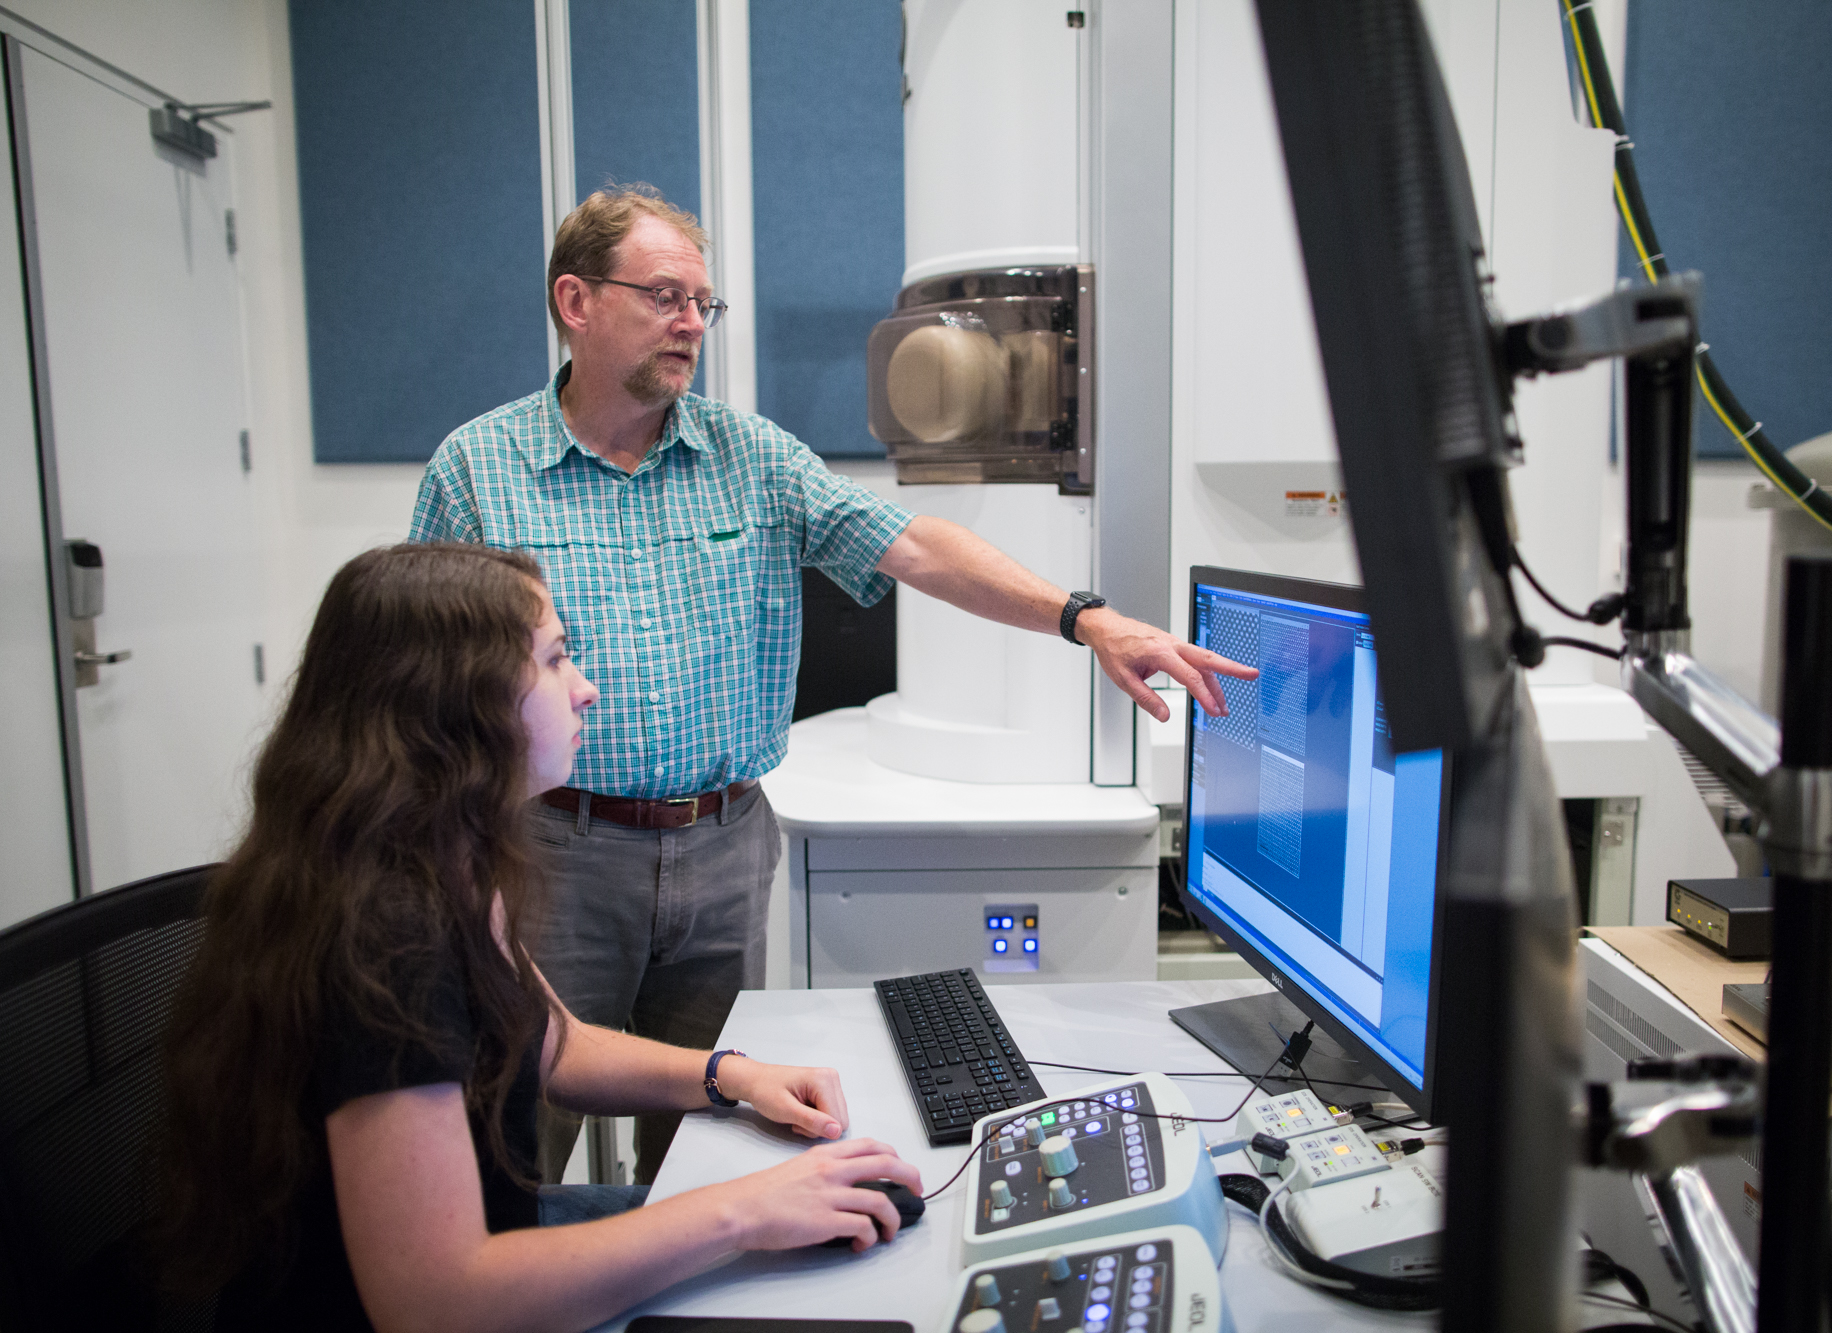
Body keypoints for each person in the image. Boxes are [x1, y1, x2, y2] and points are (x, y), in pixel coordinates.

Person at [409, 183, 1256, 1182]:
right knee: (520, 1136)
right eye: (664, 296)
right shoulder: (478, 468)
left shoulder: (750, 456)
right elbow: (421, 686)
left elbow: (915, 548)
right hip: (552, 850)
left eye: (702, 304)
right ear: (576, 300)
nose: (691, 324)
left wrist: (1084, 617)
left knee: (704, 1145)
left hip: (723, 851)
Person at [157, 543, 921, 1333]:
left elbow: (557, 1046)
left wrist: (733, 1073)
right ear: (459, 703)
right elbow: (434, 1301)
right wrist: (741, 1212)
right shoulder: (386, 938)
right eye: (555, 660)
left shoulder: (439, 858)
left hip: (494, 1247)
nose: (586, 690)